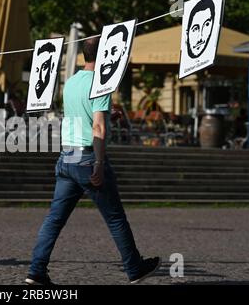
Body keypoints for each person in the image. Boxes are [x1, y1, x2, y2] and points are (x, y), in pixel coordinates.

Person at [26, 38, 161, 285]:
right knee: (115, 218)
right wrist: (99, 163)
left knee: (54, 219)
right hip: (88, 157)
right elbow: (97, 127)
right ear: (106, 56)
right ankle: (135, 267)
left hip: (68, 155)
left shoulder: (71, 83)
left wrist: (110, 115)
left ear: (84, 56)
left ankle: (36, 271)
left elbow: (84, 115)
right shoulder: (102, 83)